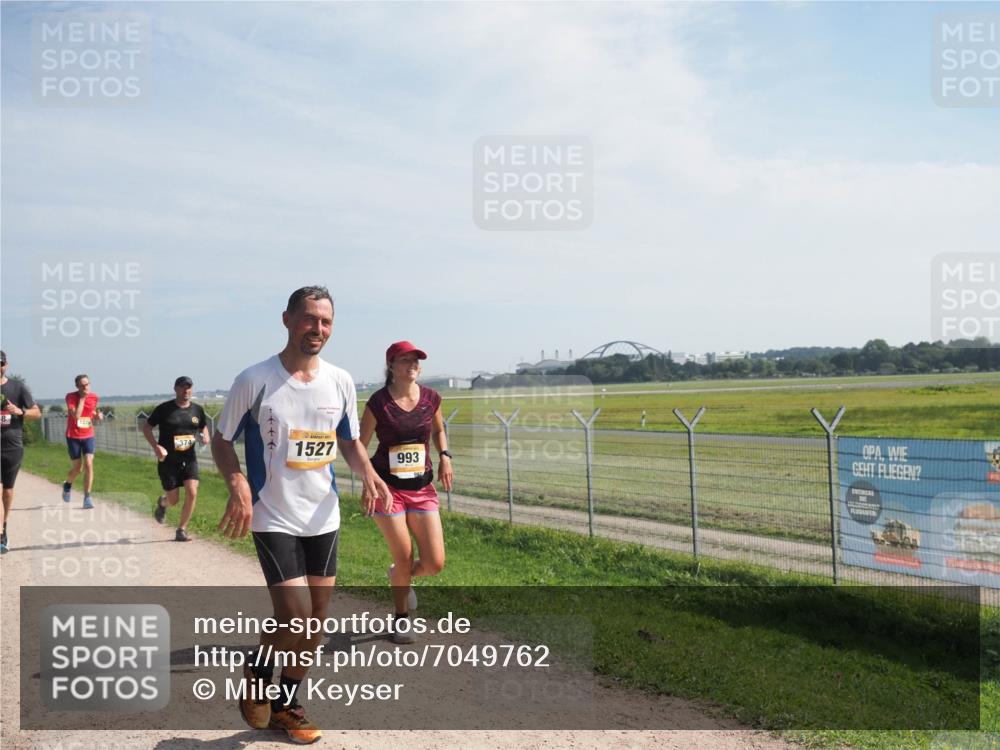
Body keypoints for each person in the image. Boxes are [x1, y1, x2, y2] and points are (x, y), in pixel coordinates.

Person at [211, 285, 392, 744]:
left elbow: (349, 439)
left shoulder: (341, 380)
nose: (318, 329)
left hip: (322, 517)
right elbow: (221, 437)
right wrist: (236, 483)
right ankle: (257, 670)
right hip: (272, 513)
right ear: (288, 319)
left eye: (326, 321)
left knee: (316, 620)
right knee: (294, 614)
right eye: (310, 319)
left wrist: (367, 473)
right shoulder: (255, 379)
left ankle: (287, 704)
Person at [360, 341, 452, 644]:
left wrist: (445, 457)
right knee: (404, 556)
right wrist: (368, 482)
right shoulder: (378, 402)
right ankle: (400, 619)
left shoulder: (431, 399)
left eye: (416, 360)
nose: (412, 364)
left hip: (422, 487)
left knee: (434, 564)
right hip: (387, 489)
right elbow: (360, 444)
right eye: (404, 360)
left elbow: (438, 431)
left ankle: (400, 576)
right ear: (391, 366)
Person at [142, 376, 210, 542]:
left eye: (189, 387)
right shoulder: (164, 409)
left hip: (189, 458)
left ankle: (181, 529)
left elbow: (203, 427)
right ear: (175, 389)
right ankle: (162, 503)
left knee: (192, 491)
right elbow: (146, 428)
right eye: (182, 387)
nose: (186, 390)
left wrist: (205, 437)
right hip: (169, 460)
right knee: (173, 499)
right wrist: (156, 446)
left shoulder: (197, 410)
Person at [1, 351, 41, 554]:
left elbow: (37, 412)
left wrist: (20, 411)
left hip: (12, 447)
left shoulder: (17, 388)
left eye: (0, 364)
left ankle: (4, 528)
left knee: (7, 491)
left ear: (6, 365)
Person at [62, 373, 103, 509]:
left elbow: (91, 412)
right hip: (73, 436)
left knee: (89, 464)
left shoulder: (95, 397)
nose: (86, 387)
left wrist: (97, 416)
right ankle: (67, 485)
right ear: (77, 387)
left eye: (87, 384)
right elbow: (77, 416)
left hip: (88, 435)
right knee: (78, 468)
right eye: (82, 385)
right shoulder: (70, 397)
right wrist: (82, 399)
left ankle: (87, 497)